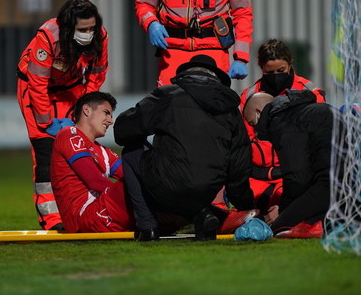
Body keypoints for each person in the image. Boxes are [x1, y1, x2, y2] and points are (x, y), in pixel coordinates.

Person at [114, 55, 254, 241]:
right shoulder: (230, 109)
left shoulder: (168, 95)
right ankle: (204, 215)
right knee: (192, 183)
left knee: (131, 150)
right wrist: (245, 204)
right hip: (207, 191)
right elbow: (239, 163)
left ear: (184, 75)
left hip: (167, 185)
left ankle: (147, 227)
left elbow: (123, 130)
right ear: (216, 78)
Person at [17, 0, 109, 230]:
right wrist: (46, 120)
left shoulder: (100, 36)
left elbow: (96, 75)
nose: (88, 33)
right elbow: (37, 83)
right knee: (46, 155)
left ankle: (83, 207)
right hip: (37, 89)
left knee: (81, 146)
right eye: (83, 29)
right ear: (69, 27)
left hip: (72, 88)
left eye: (91, 28)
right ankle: (52, 219)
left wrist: (84, 111)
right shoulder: (47, 37)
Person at [238, 39, 326, 214]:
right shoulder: (249, 96)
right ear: (261, 68)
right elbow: (243, 138)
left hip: (293, 176)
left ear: (290, 64)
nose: (276, 76)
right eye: (269, 72)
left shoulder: (309, 93)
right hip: (257, 175)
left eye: (281, 70)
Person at [249, 90, 331, 238]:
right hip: (347, 184)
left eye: (252, 123)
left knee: (279, 227)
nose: (255, 131)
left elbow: (297, 177)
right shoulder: (305, 112)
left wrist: (282, 210)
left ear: (259, 112)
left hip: (330, 184)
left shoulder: (283, 122)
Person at [50, 92, 134, 233]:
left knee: (140, 171)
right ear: (87, 110)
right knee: (136, 182)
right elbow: (94, 181)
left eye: (111, 115)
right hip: (84, 216)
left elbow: (130, 172)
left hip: (101, 210)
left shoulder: (103, 151)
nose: (110, 121)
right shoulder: (68, 134)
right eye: (106, 113)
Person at [135, 0, 253, 87]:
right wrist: (151, 23)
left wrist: (241, 58)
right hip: (173, 52)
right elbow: (144, 4)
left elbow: (243, 14)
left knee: (215, 107)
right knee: (169, 107)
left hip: (213, 51)